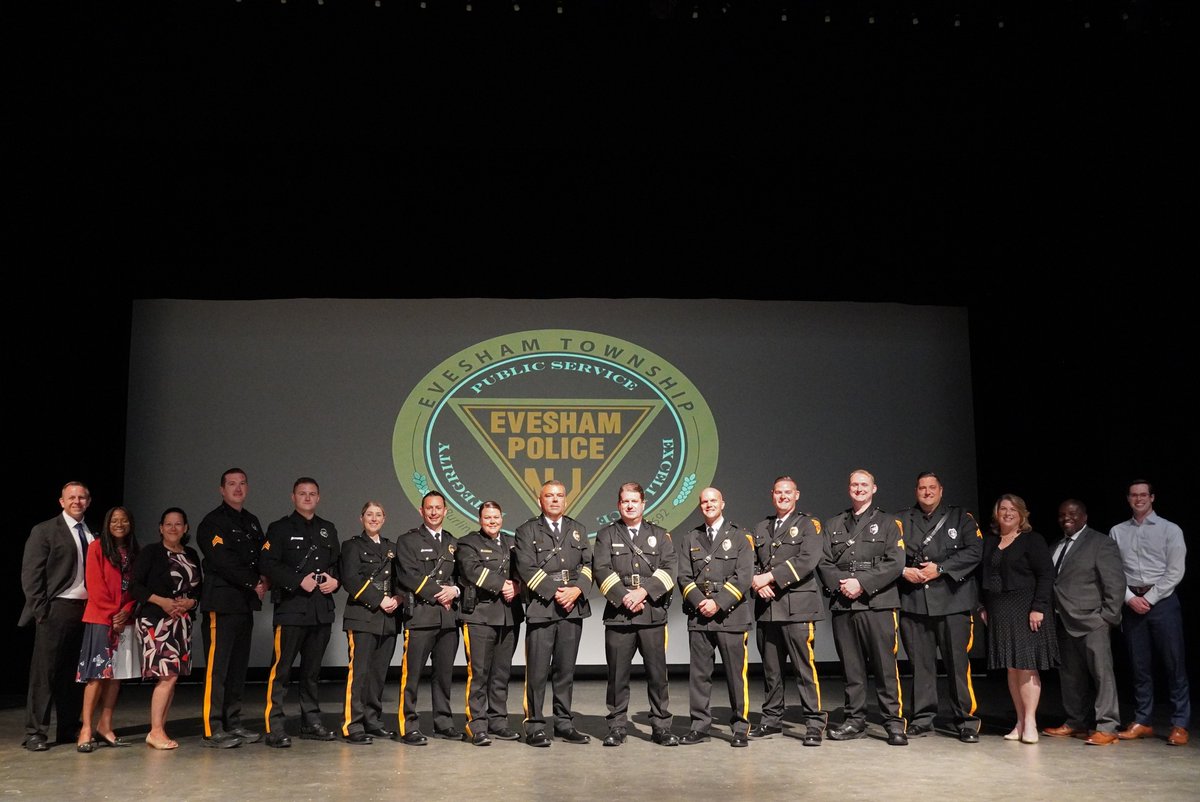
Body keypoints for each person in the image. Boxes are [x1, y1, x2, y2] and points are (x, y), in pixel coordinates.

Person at [818, 469, 908, 746]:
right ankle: (854, 720)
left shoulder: (890, 523)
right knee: (852, 668)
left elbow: (895, 562)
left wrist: (862, 583)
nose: (859, 489)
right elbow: (823, 562)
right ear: (849, 489)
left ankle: (893, 722)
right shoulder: (833, 524)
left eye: (864, 485)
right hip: (844, 604)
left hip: (877, 603)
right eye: (855, 485)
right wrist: (843, 585)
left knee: (884, 667)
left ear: (874, 488)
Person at [897, 472, 984, 743]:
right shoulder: (901, 520)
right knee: (921, 666)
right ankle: (922, 718)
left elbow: (975, 550)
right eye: (922, 488)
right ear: (916, 491)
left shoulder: (961, 518)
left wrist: (942, 569)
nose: (927, 492)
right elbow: (889, 553)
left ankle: (966, 720)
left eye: (931, 487)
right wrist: (903, 570)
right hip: (914, 603)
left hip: (952, 601)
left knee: (958, 665)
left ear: (941, 490)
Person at [593, 482, 679, 747]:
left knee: (657, 674)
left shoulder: (660, 535)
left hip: (652, 614)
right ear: (618, 505)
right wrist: (624, 596)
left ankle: (661, 727)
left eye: (634, 501)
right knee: (617, 675)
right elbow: (601, 569)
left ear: (643, 504)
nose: (629, 505)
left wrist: (642, 593)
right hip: (619, 616)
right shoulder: (607, 535)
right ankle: (617, 726)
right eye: (624, 501)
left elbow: (669, 569)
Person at [260, 477, 342, 748]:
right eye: (302, 494)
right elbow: (268, 563)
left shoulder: (327, 529)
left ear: (319, 498)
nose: (307, 498)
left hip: (320, 611)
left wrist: (336, 581)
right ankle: (275, 726)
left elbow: (336, 565)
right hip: (292, 609)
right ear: (293, 497)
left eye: (312, 494)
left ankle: (311, 722)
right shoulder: (280, 528)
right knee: (281, 672)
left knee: (311, 672)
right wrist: (297, 581)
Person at [750, 475, 830, 746]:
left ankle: (814, 723)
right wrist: (757, 584)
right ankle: (771, 719)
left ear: (797, 495)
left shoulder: (809, 524)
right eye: (778, 493)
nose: (783, 497)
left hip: (798, 609)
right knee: (771, 671)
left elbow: (807, 560)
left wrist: (769, 578)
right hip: (768, 607)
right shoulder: (762, 526)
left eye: (788, 492)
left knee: (803, 669)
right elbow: (752, 564)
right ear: (772, 495)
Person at [514, 479, 594, 747]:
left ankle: (563, 723)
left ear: (566, 500)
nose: (555, 500)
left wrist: (577, 590)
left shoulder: (578, 529)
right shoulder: (526, 531)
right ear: (540, 501)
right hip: (542, 607)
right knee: (537, 672)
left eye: (560, 495)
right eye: (550, 496)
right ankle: (535, 726)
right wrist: (557, 592)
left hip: (572, 609)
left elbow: (588, 565)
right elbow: (526, 567)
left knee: (565, 671)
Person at [1110, 480, 1190, 746]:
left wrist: (1150, 598)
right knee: (1139, 665)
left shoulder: (1170, 529)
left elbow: (1175, 571)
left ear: (1152, 497)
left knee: (1173, 663)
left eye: (1144, 495)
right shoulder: (1117, 531)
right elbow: (1114, 571)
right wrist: (1131, 599)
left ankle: (1179, 724)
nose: (1139, 499)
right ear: (1128, 499)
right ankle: (1143, 720)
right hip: (1132, 602)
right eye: (1134, 495)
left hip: (1163, 602)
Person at [1041, 499, 1124, 746]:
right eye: (1062, 514)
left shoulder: (1100, 543)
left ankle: (1107, 726)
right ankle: (1076, 722)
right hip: (1062, 621)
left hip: (1092, 621)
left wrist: (1107, 617)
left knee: (1101, 675)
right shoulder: (1055, 546)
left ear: (1084, 516)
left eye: (1073, 514)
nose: (1067, 518)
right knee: (1070, 676)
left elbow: (1115, 583)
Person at [197, 467, 269, 748]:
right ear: (221, 489)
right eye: (231, 484)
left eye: (242, 484)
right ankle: (212, 727)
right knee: (219, 668)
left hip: (244, 605)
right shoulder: (213, 522)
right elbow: (221, 560)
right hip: (222, 604)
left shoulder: (251, 521)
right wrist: (254, 581)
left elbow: (263, 554)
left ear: (247, 488)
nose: (237, 489)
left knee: (238, 668)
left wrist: (266, 579)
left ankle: (233, 722)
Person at [677, 486, 755, 747]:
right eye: (704, 502)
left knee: (736, 675)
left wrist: (718, 603)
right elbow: (684, 577)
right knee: (699, 675)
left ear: (723, 503)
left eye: (713, 501)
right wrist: (702, 603)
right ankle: (699, 726)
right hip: (699, 617)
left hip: (731, 616)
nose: (708, 505)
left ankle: (740, 727)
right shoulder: (691, 538)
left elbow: (744, 576)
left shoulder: (741, 536)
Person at [978, 493, 1058, 744]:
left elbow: (1046, 575)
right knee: (1012, 667)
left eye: (1013, 509)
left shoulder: (1032, 540)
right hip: (999, 608)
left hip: (1026, 607)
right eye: (1003, 509)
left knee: (1026, 665)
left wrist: (1039, 607)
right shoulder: (990, 541)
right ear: (996, 513)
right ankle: (1020, 721)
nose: (1008, 513)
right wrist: (982, 605)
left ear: (1022, 514)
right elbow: (982, 576)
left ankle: (1031, 721)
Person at [20, 481, 95, 752]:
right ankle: (36, 732)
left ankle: (67, 727)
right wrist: (42, 611)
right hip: (56, 609)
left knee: (75, 674)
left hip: (86, 611)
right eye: (71, 497)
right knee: (45, 673)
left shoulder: (92, 533)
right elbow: (31, 575)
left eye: (82, 497)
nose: (77, 501)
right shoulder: (44, 531)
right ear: (61, 502)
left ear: (89, 501)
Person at [393, 490, 461, 745]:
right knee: (411, 676)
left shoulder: (454, 542)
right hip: (420, 617)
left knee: (444, 675)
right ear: (421, 511)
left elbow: (461, 578)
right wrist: (439, 593)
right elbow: (407, 576)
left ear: (446, 511)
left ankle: (443, 722)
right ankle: (408, 725)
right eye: (429, 508)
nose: (433, 512)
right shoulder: (407, 540)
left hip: (447, 619)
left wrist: (453, 591)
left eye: (438, 508)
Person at [131, 507, 202, 750]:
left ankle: (159, 727)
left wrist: (191, 602)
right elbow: (135, 587)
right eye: (168, 524)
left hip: (181, 621)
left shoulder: (191, 553)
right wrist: (162, 602)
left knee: (172, 677)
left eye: (178, 524)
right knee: (167, 675)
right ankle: (155, 731)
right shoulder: (151, 552)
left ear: (186, 528)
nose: (173, 528)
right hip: (156, 621)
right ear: (161, 528)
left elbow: (198, 589)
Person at [456, 500, 523, 746]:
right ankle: (477, 725)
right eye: (487, 518)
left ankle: (498, 722)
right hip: (480, 617)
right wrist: (503, 585)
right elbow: (471, 571)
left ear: (501, 518)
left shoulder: (511, 542)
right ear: (480, 519)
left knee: (501, 674)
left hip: (509, 616)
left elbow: (524, 568)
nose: (492, 521)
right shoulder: (467, 543)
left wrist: (517, 585)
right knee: (479, 674)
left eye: (496, 517)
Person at [75, 506, 141, 752]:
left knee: (116, 678)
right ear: (107, 523)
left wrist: (129, 609)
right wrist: (114, 613)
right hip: (101, 619)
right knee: (97, 676)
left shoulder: (135, 552)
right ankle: (86, 729)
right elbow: (95, 584)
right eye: (114, 520)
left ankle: (105, 725)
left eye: (124, 520)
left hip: (126, 619)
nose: (120, 523)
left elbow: (138, 586)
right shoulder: (97, 547)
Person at [337, 501, 401, 745]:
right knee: (360, 673)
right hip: (363, 615)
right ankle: (352, 724)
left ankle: (372, 721)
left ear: (384, 519)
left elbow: (400, 579)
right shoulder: (352, 546)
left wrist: (398, 597)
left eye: (378, 515)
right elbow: (351, 580)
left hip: (388, 618)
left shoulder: (392, 547)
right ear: (360, 518)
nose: (374, 519)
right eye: (369, 514)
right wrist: (380, 600)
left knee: (378, 674)